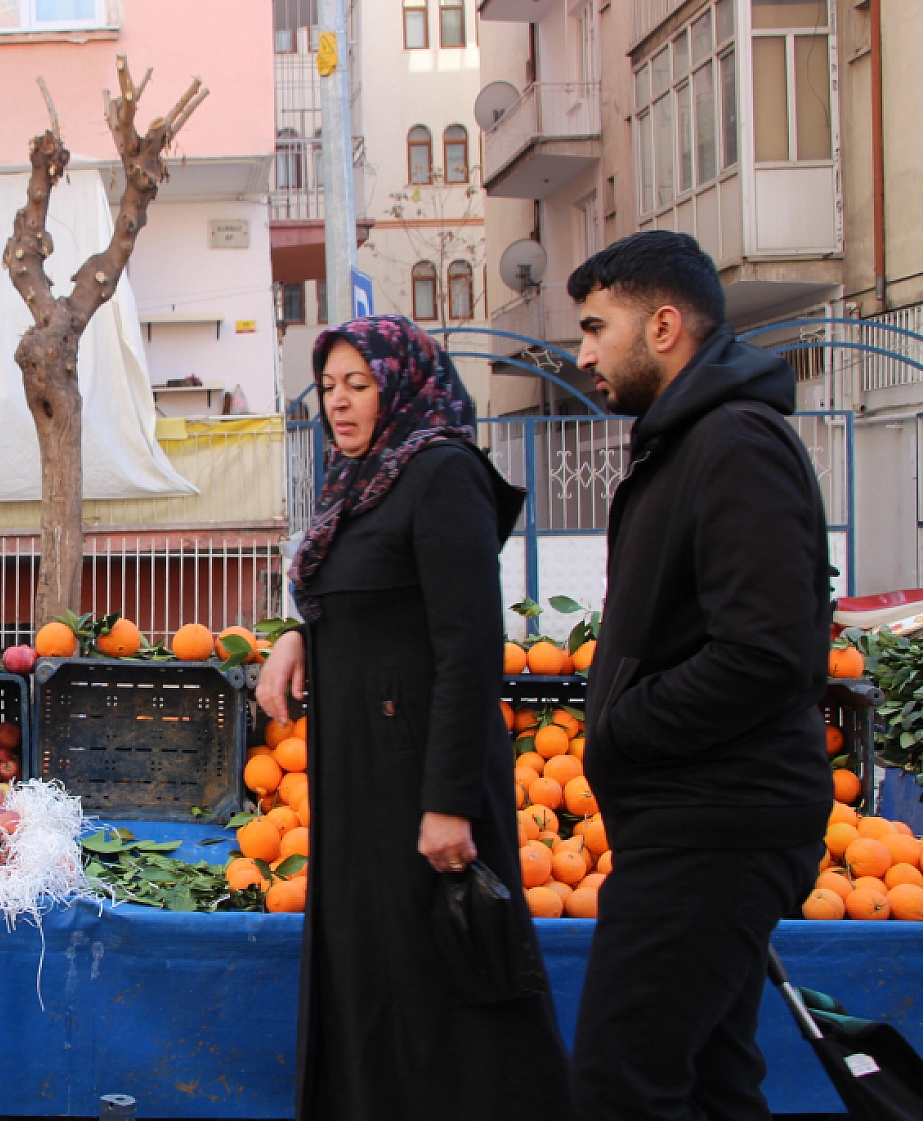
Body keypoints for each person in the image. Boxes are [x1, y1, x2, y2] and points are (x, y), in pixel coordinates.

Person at [257, 316, 574, 1121]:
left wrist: (449, 802)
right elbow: (367, 604)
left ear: (401, 384)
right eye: (328, 387)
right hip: (360, 784)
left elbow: (469, 647)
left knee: (443, 1002)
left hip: (421, 788)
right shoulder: (359, 481)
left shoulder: (441, 472)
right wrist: (299, 636)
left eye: (358, 384)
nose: (338, 402)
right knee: (373, 986)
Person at [567, 230, 832, 1120]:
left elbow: (766, 652)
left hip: (715, 822)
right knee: (715, 1084)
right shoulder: (685, 443)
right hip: (698, 819)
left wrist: (628, 724)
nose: (583, 354)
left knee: (622, 1082)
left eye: (597, 327)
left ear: (665, 326)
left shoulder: (734, 443)